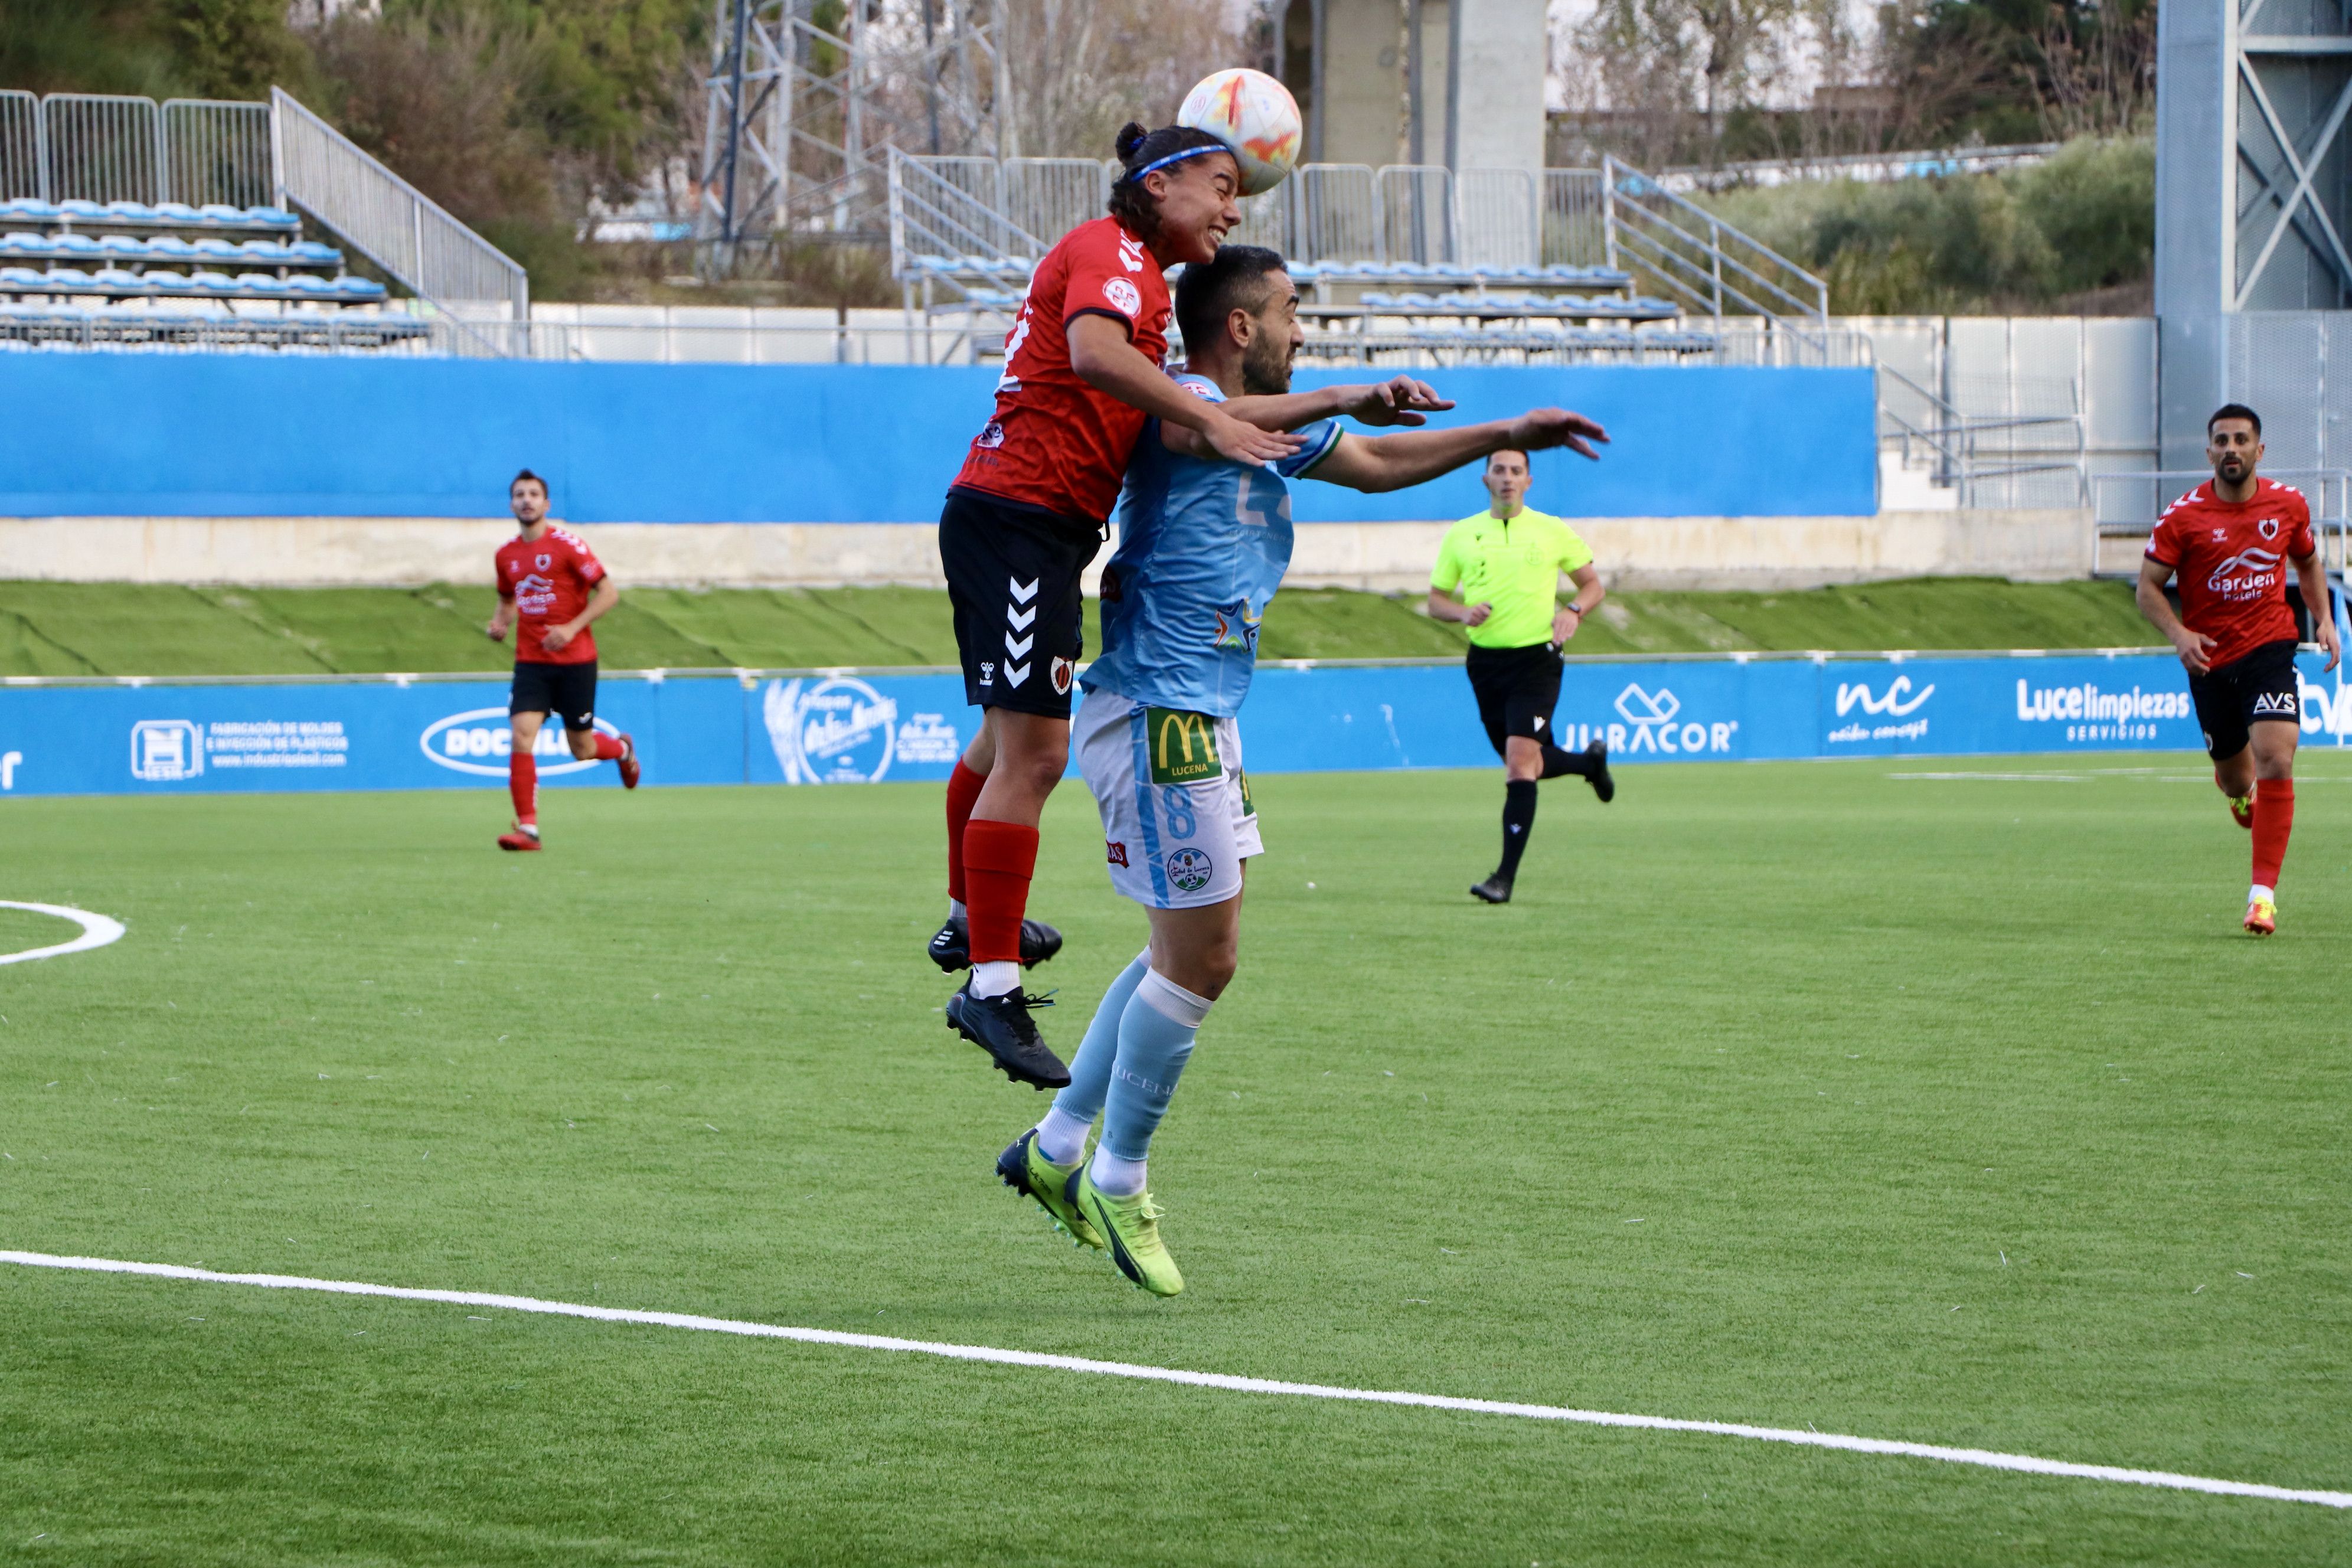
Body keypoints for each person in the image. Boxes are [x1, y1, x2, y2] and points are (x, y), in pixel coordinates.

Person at [993, 244, 1607, 1295]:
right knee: (1206, 959)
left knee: (1172, 952)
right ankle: (1118, 1174)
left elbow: (1369, 465)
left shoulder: (1271, 428)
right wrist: (1351, 397)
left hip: (1203, 715)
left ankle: (1052, 1152)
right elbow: (1211, 428)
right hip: (1157, 709)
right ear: (1239, 326)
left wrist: (1503, 432)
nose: (1299, 330)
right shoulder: (1181, 399)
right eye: (1287, 311)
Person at [929, 119, 1448, 1091]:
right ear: (1157, 183)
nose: (1231, 205)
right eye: (1218, 184)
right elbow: (1089, 355)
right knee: (1034, 754)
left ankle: (971, 918)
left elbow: (1174, 392)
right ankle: (989, 984)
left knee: (1003, 746)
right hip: (1018, 515)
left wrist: (1259, 405)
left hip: (1040, 526)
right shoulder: (1108, 252)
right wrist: (1209, 412)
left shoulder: (1143, 289)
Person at [2137, 403, 2338, 935]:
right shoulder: (2182, 517)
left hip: (2271, 648)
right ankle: (2239, 794)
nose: (2232, 449)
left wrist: (2324, 619)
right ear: (2209, 453)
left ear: (2259, 450)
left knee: (2276, 757)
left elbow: (2308, 562)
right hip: (2209, 661)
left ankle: (2262, 897)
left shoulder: (2288, 505)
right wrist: (2179, 635)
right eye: (2222, 441)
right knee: (2237, 776)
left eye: (2241, 440)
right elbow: (2147, 588)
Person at [1426, 451, 1616, 904]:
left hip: (1538, 661)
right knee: (1525, 764)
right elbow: (1435, 601)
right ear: (1485, 478)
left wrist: (1573, 611)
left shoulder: (1551, 530)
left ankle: (1503, 879)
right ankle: (1589, 764)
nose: (1507, 479)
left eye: (1516, 471)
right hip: (1485, 664)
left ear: (1528, 481)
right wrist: (1462, 612)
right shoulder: (1462, 534)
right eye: (1499, 471)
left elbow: (1593, 586)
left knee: (1518, 762)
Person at [484, 469, 638, 851]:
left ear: (547, 504)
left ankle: (622, 750)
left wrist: (572, 628)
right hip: (532, 661)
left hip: (575, 661)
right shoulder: (506, 555)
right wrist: (501, 623)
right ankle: (529, 830)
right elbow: (508, 599)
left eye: (534, 494)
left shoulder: (568, 546)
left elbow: (608, 593)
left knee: (582, 749)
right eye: (519, 494)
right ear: (511, 504)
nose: (526, 500)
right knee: (522, 735)